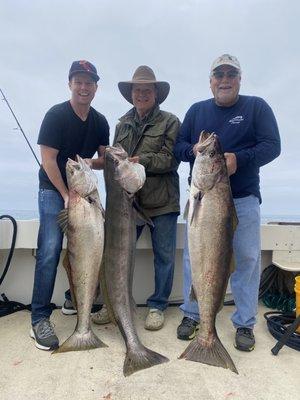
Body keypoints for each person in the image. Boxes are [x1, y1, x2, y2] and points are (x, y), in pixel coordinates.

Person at [174, 54, 281, 351]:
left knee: (246, 259)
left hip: (244, 199)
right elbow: (178, 147)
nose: (224, 79)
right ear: (210, 81)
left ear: (239, 79)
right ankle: (193, 315)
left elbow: (273, 146)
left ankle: (244, 323)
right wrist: (194, 150)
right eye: (218, 74)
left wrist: (239, 159)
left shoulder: (256, 107)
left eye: (230, 74)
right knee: (193, 258)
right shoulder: (196, 111)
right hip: (202, 199)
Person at [92, 65, 180, 330]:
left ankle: (157, 306)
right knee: (115, 254)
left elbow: (171, 159)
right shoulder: (122, 124)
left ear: (156, 93)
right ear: (131, 94)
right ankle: (112, 304)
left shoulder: (170, 121)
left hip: (163, 202)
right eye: (137, 90)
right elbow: (115, 159)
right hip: (128, 203)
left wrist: (140, 161)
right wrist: (96, 161)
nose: (141, 94)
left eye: (146, 90)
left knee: (164, 257)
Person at [30, 60, 109, 350]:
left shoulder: (100, 121)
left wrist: (92, 162)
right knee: (50, 249)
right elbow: (49, 161)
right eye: (79, 81)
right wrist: (66, 195)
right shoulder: (56, 115)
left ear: (96, 88)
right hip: (54, 191)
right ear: (70, 84)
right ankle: (38, 317)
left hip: (84, 193)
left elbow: (103, 160)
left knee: (88, 249)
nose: (84, 87)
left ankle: (70, 300)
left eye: (89, 82)